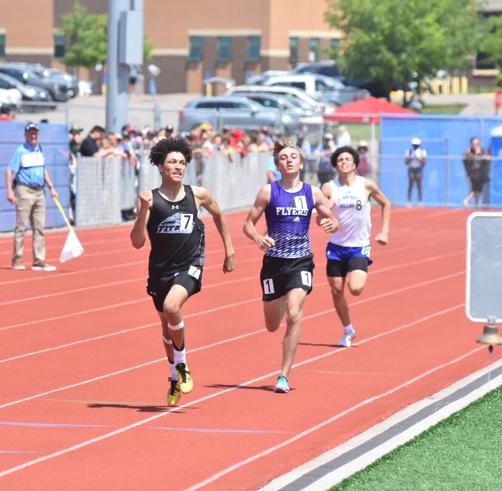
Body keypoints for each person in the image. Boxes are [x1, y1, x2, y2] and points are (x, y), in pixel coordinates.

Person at [130, 137, 236, 406]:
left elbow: (219, 215)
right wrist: (142, 211)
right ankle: (173, 376)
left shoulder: (197, 195)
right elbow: (137, 242)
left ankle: (182, 364)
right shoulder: (150, 200)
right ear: (160, 167)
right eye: (172, 162)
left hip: (190, 265)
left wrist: (229, 250)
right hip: (159, 271)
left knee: (172, 306)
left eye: (181, 162)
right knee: (166, 328)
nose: (178, 166)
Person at [242, 139, 338, 393]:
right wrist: (258, 238)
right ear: (277, 164)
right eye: (283, 157)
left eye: (293, 156)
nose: (289, 160)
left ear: (301, 162)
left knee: (294, 314)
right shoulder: (268, 192)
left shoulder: (312, 192)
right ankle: (282, 298)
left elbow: (331, 219)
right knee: (272, 325)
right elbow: (248, 224)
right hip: (273, 263)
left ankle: (283, 375)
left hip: (300, 261)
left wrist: (331, 224)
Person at [321, 146, 390, 347]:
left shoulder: (366, 185)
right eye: (340, 159)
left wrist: (384, 231)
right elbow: (320, 216)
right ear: (336, 164)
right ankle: (348, 329)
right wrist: (326, 220)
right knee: (336, 291)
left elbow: (386, 203)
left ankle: (355, 270)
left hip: (359, 245)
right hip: (335, 246)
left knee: (356, 288)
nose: (343, 162)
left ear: (354, 164)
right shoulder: (329, 187)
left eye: (347, 159)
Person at [6, 122, 59, 271]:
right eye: (30, 133)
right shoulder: (20, 151)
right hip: (24, 190)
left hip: (40, 192)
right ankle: (17, 260)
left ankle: (39, 260)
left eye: (35, 133)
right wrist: (9, 191)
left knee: (39, 227)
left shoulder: (39, 150)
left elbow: (43, 170)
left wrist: (51, 187)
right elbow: (9, 171)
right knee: (21, 227)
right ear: (25, 135)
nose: (33, 135)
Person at [462, 137, 491, 208]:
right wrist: (471, 155)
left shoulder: (482, 151)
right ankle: (467, 202)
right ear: (471, 144)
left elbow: (488, 157)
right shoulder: (469, 152)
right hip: (471, 175)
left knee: (477, 190)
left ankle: (476, 205)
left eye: (477, 143)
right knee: (474, 189)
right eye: (473, 144)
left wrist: (485, 157)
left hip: (479, 175)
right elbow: (465, 159)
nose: (475, 145)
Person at [404, 137, 427, 207]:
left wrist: (418, 158)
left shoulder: (422, 151)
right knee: (410, 186)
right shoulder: (409, 151)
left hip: (419, 169)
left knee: (419, 186)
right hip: (411, 169)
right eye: (414, 145)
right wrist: (411, 158)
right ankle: (409, 202)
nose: (415, 146)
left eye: (416, 145)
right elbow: (406, 162)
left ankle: (420, 202)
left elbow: (424, 162)